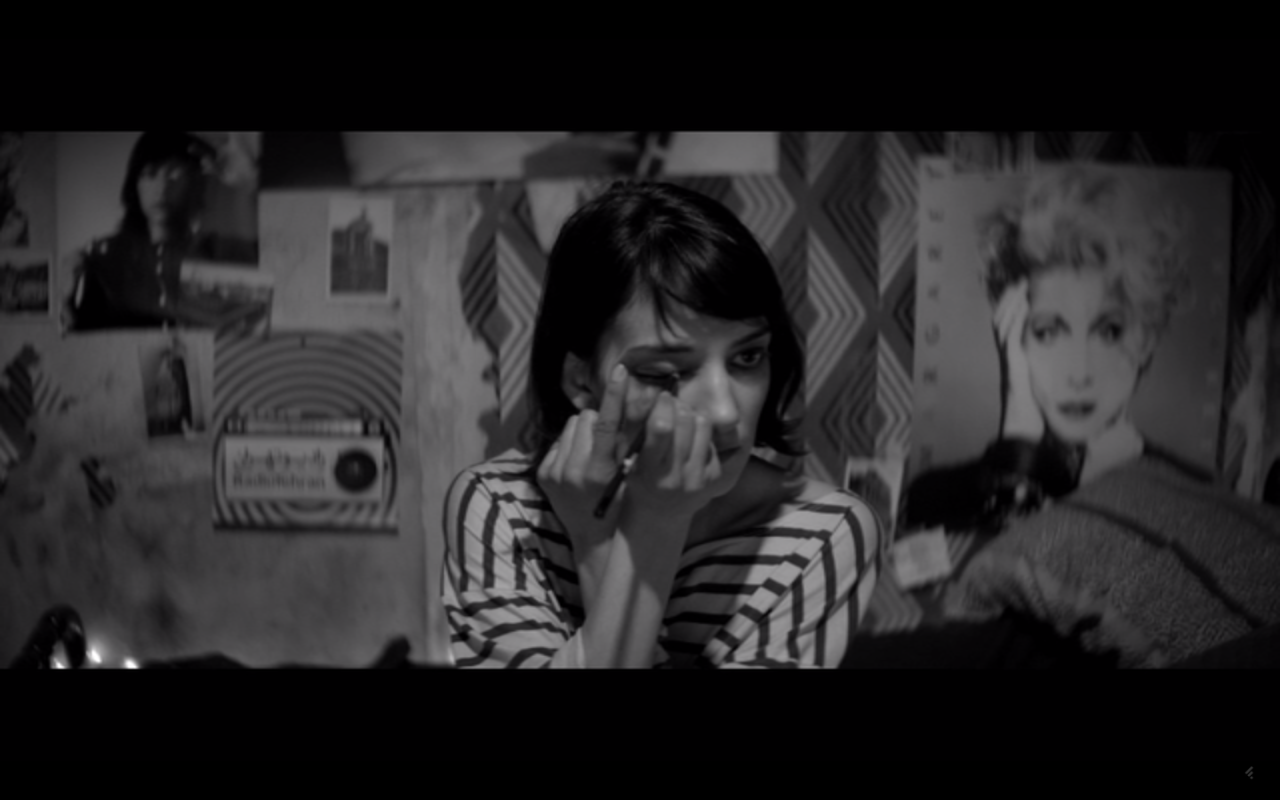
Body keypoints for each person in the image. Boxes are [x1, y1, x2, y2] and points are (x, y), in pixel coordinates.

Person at [441, 182, 880, 668]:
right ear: (581, 380)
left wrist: (605, 538)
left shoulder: (822, 534)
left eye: (748, 357)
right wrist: (644, 525)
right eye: (665, 372)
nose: (724, 412)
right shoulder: (499, 509)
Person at [904, 165, 1199, 530]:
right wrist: (1020, 439)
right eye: (1047, 332)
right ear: (1012, 334)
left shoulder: (1192, 498)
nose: (1079, 373)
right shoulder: (933, 500)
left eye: (1108, 332)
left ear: (1147, 339)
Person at [62, 131, 257, 332]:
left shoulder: (224, 251)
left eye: (175, 174)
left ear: (197, 182)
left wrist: (251, 179)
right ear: (135, 184)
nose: (161, 188)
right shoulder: (102, 258)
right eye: (150, 174)